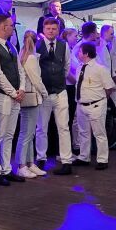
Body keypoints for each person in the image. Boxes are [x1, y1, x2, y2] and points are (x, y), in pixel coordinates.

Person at [0, 13, 25, 185]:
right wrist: (13, 92)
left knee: (9, 134)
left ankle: (6, 168)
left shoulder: (11, 46)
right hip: (1, 96)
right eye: (11, 25)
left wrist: (22, 88)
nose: (13, 28)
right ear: (2, 27)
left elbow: (20, 69)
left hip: (15, 95)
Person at [35, 19, 74, 175]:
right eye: (48, 28)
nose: (51, 31)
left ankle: (66, 161)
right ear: (44, 30)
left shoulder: (64, 46)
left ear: (58, 30)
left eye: (54, 28)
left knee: (63, 127)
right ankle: (41, 158)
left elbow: (67, 66)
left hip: (60, 91)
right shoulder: (37, 45)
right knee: (41, 128)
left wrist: (59, 80)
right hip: (43, 92)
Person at [71, 42, 115, 169]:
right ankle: (84, 157)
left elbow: (109, 87)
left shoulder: (100, 69)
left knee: (99, 133)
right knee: (83, 132)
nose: (78, 54)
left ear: (86, 54)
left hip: (96, 105)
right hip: (81, 104)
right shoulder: (80, 67)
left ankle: (102, 159)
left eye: (80, 51)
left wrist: (101, 100)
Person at [16, 30, 47, 180]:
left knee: (28, 133)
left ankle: (29, 163)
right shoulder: (31, 58)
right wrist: (44, 93)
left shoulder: (21, 55)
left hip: (26, 98)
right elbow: (36, 80)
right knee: (27, 134)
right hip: (32, 97)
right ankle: (22, 165)